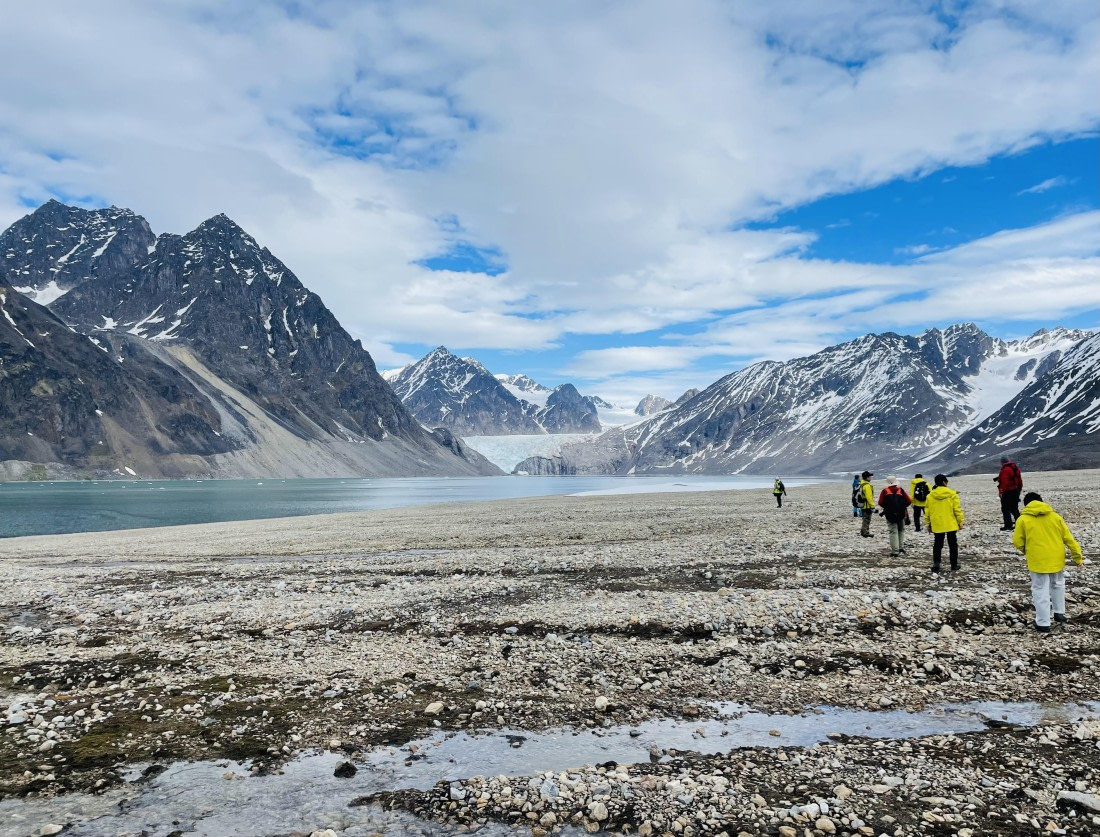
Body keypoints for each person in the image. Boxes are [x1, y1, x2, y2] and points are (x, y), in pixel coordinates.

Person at [1012, 492, 1085, 632]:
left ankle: (1043, 623)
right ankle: (1059, 613)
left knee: (1040, 590)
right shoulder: (1055, 517)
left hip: (1037, 560)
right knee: (1058, 584)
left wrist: (1027, 551)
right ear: (1042, 501)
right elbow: (1069, 539)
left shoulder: (1023, 519)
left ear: (1026, 505)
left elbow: (1017, 541)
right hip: (1057, 558)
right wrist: (1078, 558)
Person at [926, 474, 964, 574]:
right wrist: (960, 521)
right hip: (950, 523)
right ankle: (954, 564)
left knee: (938, 544)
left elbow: (927, 512)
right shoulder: (952, 494)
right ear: (944, 482)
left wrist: (928, 524)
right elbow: (957, 509)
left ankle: (936, 563)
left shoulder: (930, 496)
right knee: (952, 544)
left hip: (937, 523)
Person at [877, 477, 912, 557]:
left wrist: (887, 508)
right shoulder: (901, 490)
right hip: (901, 513)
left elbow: (880, 502)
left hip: (889, 514)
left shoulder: (885, 491)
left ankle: (895, 551)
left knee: (893, 531)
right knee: (901, 530)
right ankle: (900, 547)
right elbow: (909, 500)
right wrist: (902, 507)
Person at [995, 456, 1024, 531]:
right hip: (1015, 491)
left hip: (1008, 492)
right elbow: (1019, 480)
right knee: (1014, 508)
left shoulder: (1005, 469)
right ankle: (1020, 524)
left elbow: (1005, 482)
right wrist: (1019, 489)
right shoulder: (1014, 468)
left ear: (1002, 462)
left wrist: (1001, 491)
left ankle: (1008, 525)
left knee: (1005, 508)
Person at [857, 470, 875, 537]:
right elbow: (869, 497)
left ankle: (863, 531)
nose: (871, 478)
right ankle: (865, 532)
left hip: (862, 505)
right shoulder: (867, 485)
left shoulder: (860, 483)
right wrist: (872, 506)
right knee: (867, 519)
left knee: (864, 518)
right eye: (870, 476)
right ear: (867, 478)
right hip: (867, 505)